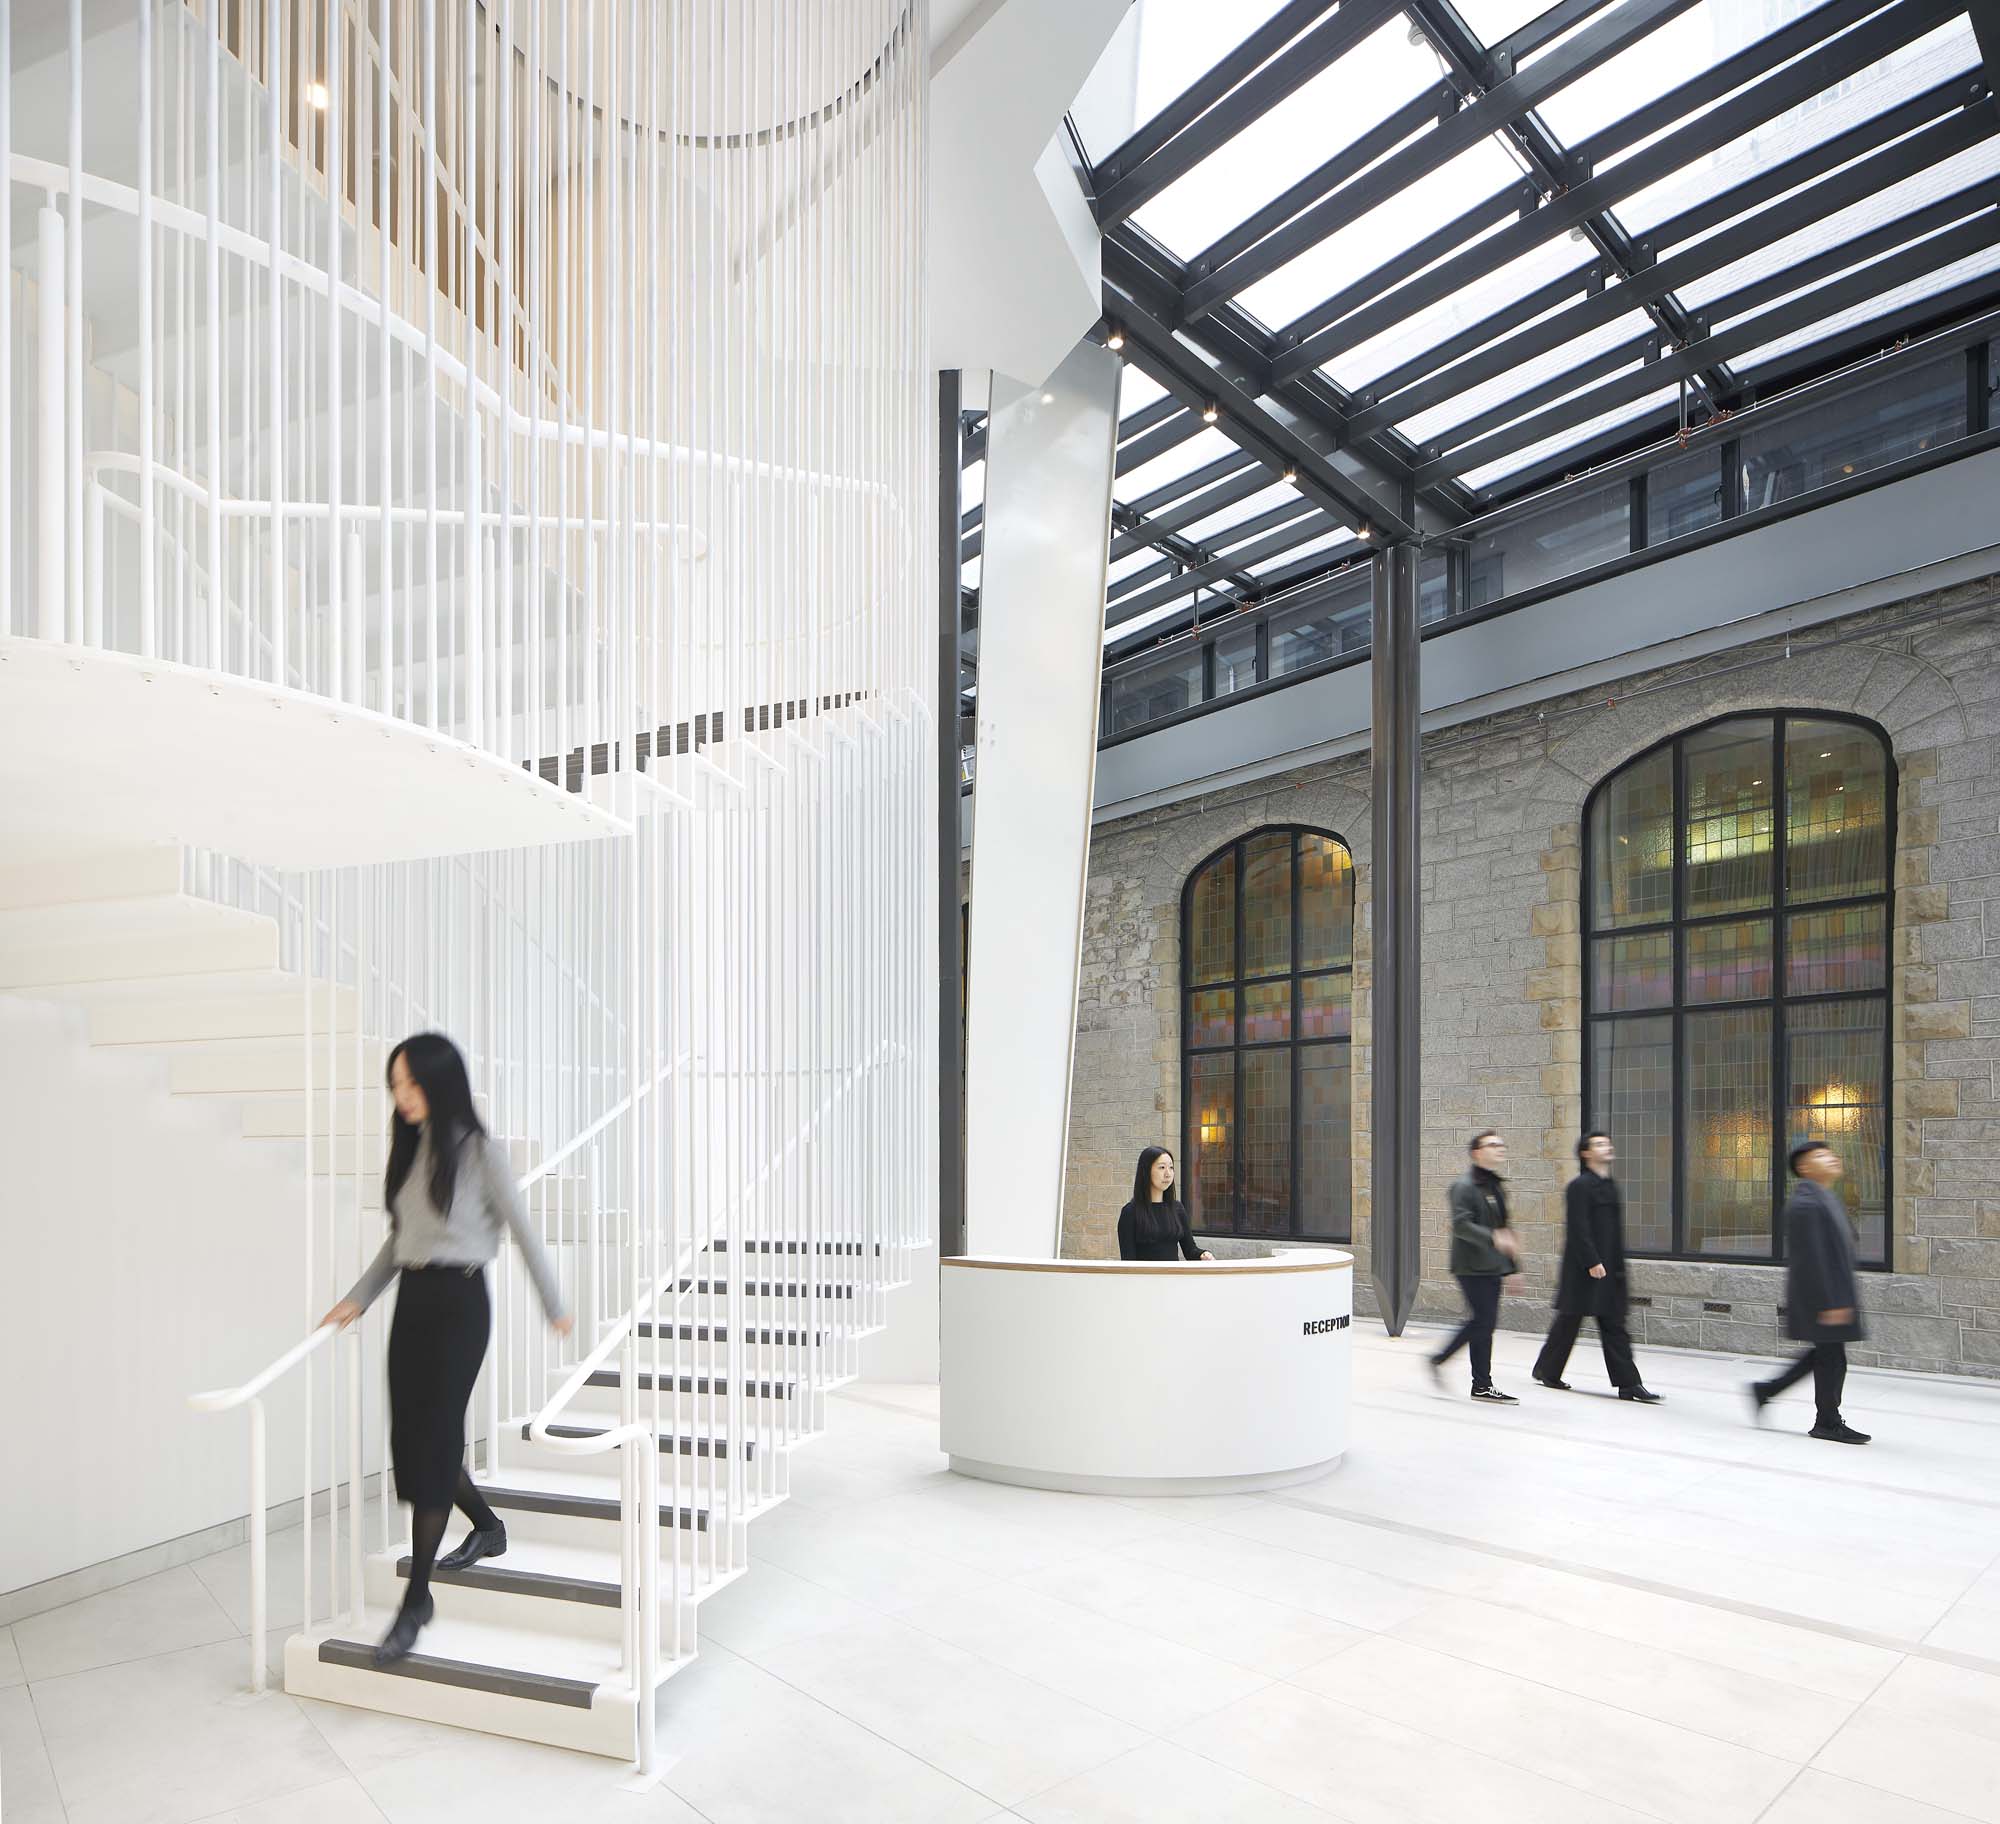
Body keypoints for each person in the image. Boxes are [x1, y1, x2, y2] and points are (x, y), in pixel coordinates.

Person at [322, 1032, 572, 1664]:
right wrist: (358, 1297)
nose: (401, 1097)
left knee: (433, 1441)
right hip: (412, 1302)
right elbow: (401, 1240)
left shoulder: (481, 1151)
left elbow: (523, 1229)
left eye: (411, 1084)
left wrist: (555, 1306)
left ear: (440, 1081)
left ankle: (417, 1601)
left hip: (461, 1306)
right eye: (395, 1086)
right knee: (414, 1443)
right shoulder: (409, 1146)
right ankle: (488, 1527)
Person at [1748, 1139, 1870, 1444]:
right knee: (1831, 1358)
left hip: (1833, 1293)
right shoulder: (1806, 1203)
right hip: (1823, 1297)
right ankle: (1826, 1421)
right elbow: (1813, 1258)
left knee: (1827, 1355)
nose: (1831, 1158)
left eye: (1830, 1153)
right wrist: (1832, 1301)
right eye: (1820, 1155)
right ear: (1804, 1168)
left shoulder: (1824, 1198)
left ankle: (1769, 1391)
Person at [1532, 1132, 1662, 1403]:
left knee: (1614, 1324)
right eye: (1600, 1144)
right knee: (1568, 1322)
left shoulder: (1611, 1186)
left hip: (1610, 1269)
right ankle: (1547, 1370)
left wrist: (1615, 1266)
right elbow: (1578, 1228)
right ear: (1586, 1153)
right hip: (1584, 1269)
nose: (1607, 1147)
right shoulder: (1579, 1186)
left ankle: (1629, 1384)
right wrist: (1592, 1261)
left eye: (1607, 1143)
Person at [1428, 1130, 1522, 1402]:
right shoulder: (1464, 1185)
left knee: (1484, 1323)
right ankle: (1450, 1365)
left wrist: (1514, 1268)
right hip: (1470, 1265)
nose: (1499, 1148)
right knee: (1483, 1321)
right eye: (1492, 1144)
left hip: (1492, 1265)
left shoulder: (1494, 1186)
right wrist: (1493, 1238)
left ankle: (1479, 1383)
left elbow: (1505, 1230)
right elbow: (1461, 1225)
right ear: (1476, 1152)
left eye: (1501, 1144)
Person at [1117, 1146, 1214, 1262]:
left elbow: (1190, 1250)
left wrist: (1202, 1254)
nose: (1168, 1174)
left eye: (1171, 1167)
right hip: (1144, 1278)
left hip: (1173, 1278)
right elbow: (1128, 1262)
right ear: (1146, 1171)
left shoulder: (1177, 1208)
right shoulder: (1130, 1212)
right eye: (1162, 1167)